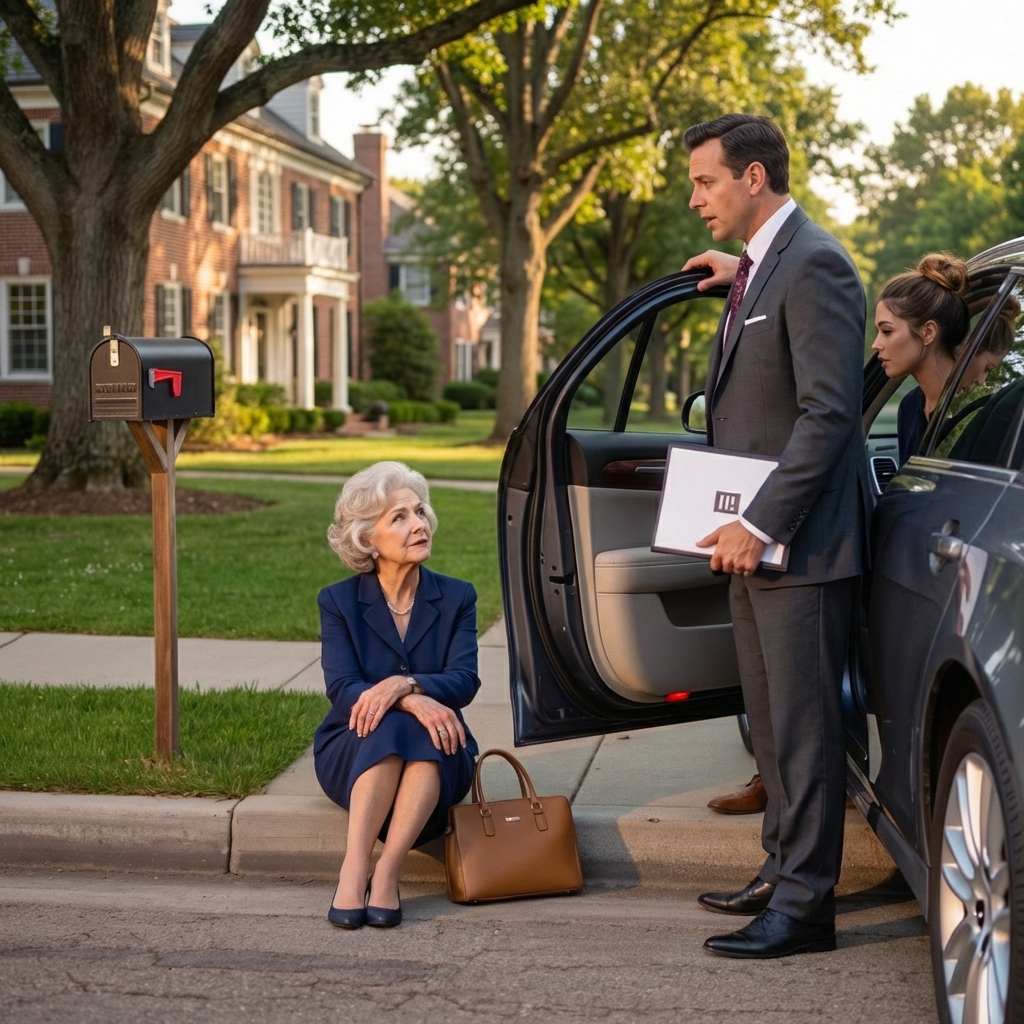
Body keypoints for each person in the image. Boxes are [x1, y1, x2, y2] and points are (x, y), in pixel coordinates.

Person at [681, 114, 871, 958]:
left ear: (753, 178)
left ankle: (806, 909)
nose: (695, 199)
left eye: (705, 181)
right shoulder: (770, 265)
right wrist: (741, 274)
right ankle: (779, 870)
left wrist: (758, 523)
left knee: (803, 730)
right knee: (770, 723)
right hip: (753, 548)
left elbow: (829, 414)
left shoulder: (819, 263)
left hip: (798, 545)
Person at [313, 461, 480, 930]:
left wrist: (404, 684)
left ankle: (385, 872)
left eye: (420, 511)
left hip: (442, 746)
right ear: (368, 539)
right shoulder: (338, 601)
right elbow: (342, 687)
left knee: (421, 728)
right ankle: (354, 868)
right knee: (398, 722)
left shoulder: (457, 597)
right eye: (400, 517)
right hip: (355, 741)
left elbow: (465, 679)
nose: (420, 524)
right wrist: (408, 696)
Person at [871, 254, 1013, 464]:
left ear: (928, 332)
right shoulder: (909, 407)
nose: (875, 344)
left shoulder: (983, 412)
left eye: (887, 331)